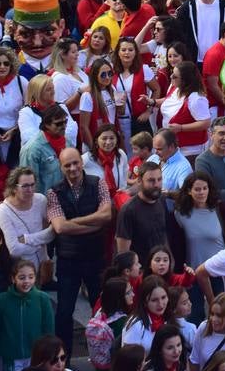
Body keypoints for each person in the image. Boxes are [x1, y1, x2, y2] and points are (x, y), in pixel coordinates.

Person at [46, 146, 112, 354]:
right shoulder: (53, 192)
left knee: (100, 309)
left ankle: (104, 354)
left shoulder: (98, 183)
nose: (73, 168)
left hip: (95, 258)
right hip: (68, 260)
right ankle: (63, 360)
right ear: (61, 167)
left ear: (82, 163)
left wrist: (74, 223)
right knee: (64, 313)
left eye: (75, 163)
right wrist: (93, 225)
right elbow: (60, 227)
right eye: (67, 165)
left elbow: (106, 216)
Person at [117, 158, 168, 264]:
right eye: (151, 180)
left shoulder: (161, 200)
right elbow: (123, 253)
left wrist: (170, 261)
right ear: (139, 181)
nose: (156, 184)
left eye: (159, 179)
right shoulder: (128, 210)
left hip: (161, 270)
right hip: (141, 273)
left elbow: (163, 237)